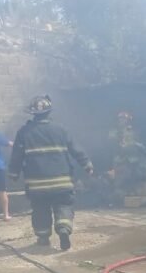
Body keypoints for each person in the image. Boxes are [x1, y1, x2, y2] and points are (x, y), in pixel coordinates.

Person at [8, 95, 93, 250]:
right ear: (49, 113)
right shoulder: (61, 129)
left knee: (40, 208)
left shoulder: (24, 132)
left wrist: (14, 174)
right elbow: (75, 149)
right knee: (64, 205)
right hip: (62, 181)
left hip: (37, 184)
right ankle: (63, 229)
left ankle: (43, 238)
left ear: (33, 113)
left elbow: (17, 156)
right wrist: (86, 164)